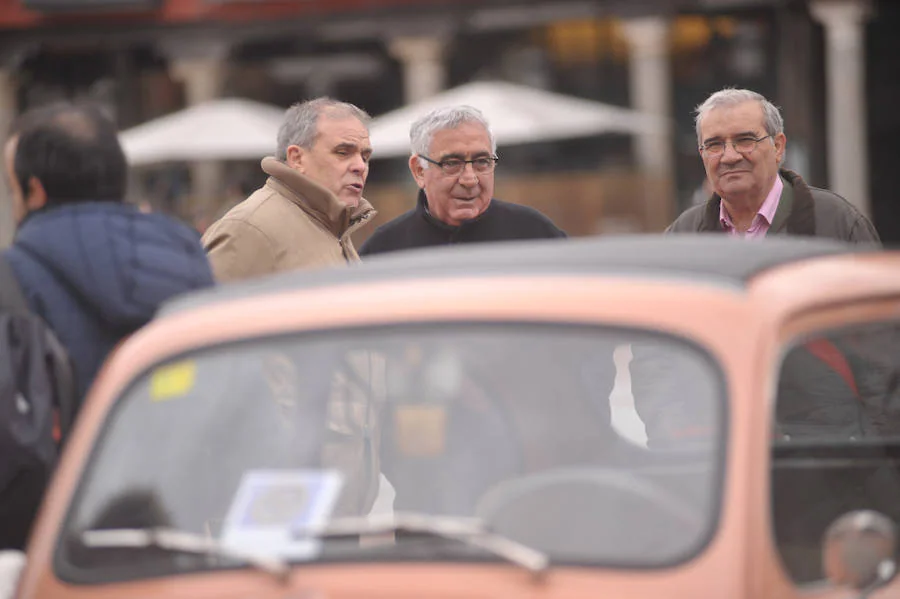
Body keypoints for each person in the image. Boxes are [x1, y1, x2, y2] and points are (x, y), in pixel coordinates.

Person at [2, 101, 214, 405]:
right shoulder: (186, 248)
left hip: (78, 452)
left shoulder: (13, 275)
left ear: (35, 191)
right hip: (182, 446)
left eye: (12, 190)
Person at [667, 87, 879, 242]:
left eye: (745, 140)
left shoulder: (836, 223)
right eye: (714, 144)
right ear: (702, 154)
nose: (729, 156)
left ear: (778, 147)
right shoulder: (683, 235)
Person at [202, 97, 376, 282]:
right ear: (297, 158)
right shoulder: (248, 229)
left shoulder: (333, 221)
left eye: (365, 157)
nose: (360, 166)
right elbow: (206, 308)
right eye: (342, 153)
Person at [359, 105, 565, 256]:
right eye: (452, 163)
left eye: (481, 161)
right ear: (419, 170)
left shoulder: (534, 234)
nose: (469, 179)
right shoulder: (385, 251)